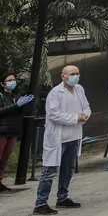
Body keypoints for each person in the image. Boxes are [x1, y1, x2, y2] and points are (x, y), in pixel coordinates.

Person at [34, 66, 89, 213]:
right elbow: (54, 115)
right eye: (72, 74)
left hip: (74, 136)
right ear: (63, 76)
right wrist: (75, 117)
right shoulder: (55, 93)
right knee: (50, 170)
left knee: (68, 169)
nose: (75, 76)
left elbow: (86, 107)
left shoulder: (79, 89)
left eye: (77, 73)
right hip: (58, 138)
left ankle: (63, 197)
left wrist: (85, 115)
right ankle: (40, 203)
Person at [0, 72, 32, 192]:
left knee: (4, 158)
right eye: (9, 80)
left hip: (13, 130)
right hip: (2, 130)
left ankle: (0, 181)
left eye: (14, 80)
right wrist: (16, 106)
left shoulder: (16, 96)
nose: (12, 82)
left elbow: (22, 113)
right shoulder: (1, 96)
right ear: (2, 84)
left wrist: (25, 105)